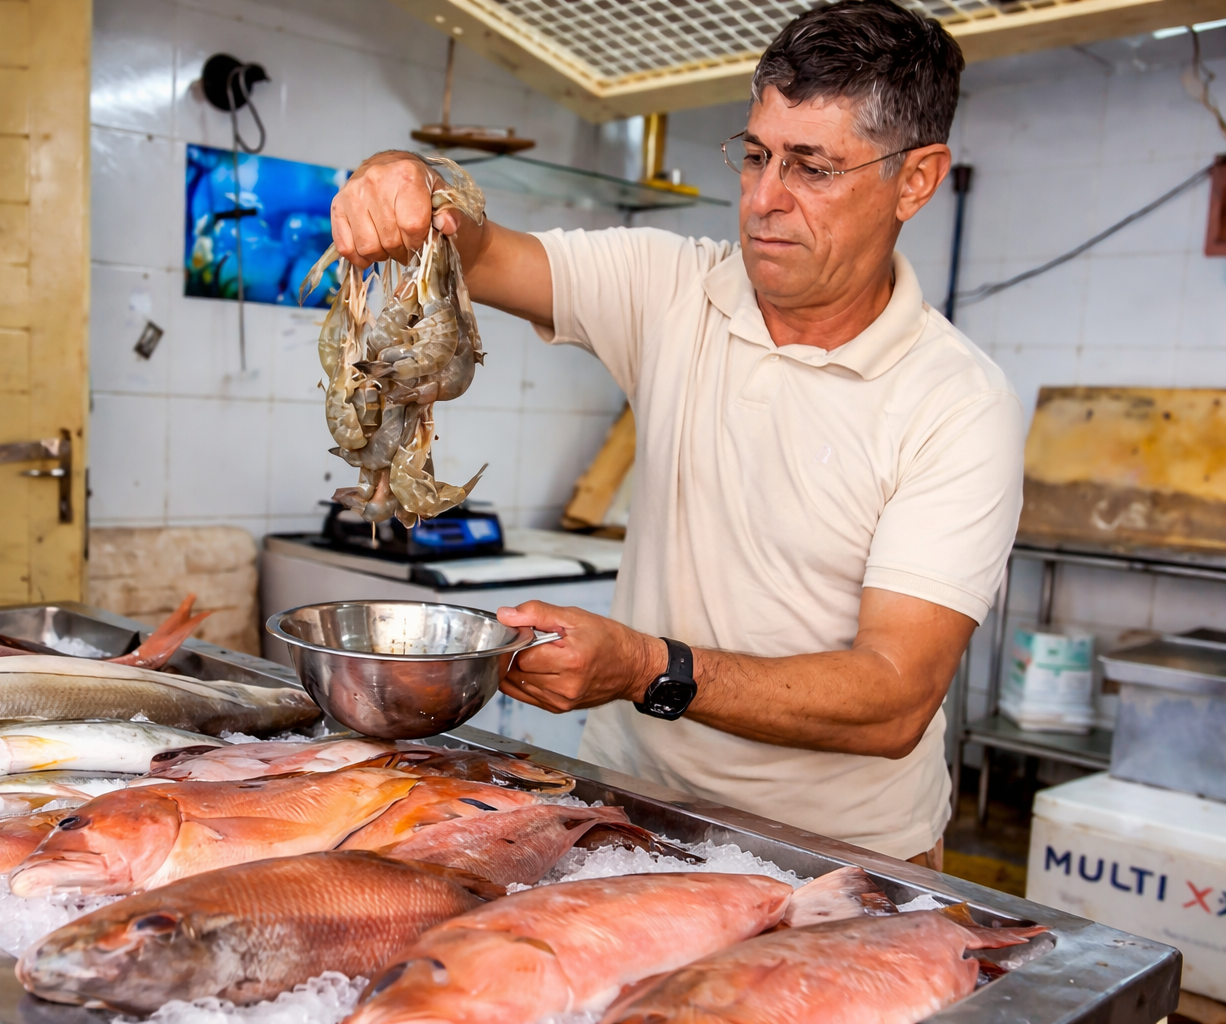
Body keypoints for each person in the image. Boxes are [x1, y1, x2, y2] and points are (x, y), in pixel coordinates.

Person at [326, 0, 1022, 866]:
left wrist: (647, 667)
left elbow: (892, 698)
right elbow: (476, 248)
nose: (765, 201)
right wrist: (400, 177)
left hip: (842, 859)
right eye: (758, 155)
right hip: (630, 817)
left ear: (916, 180)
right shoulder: (671, 288)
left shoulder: (958, 401)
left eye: (812, 168)